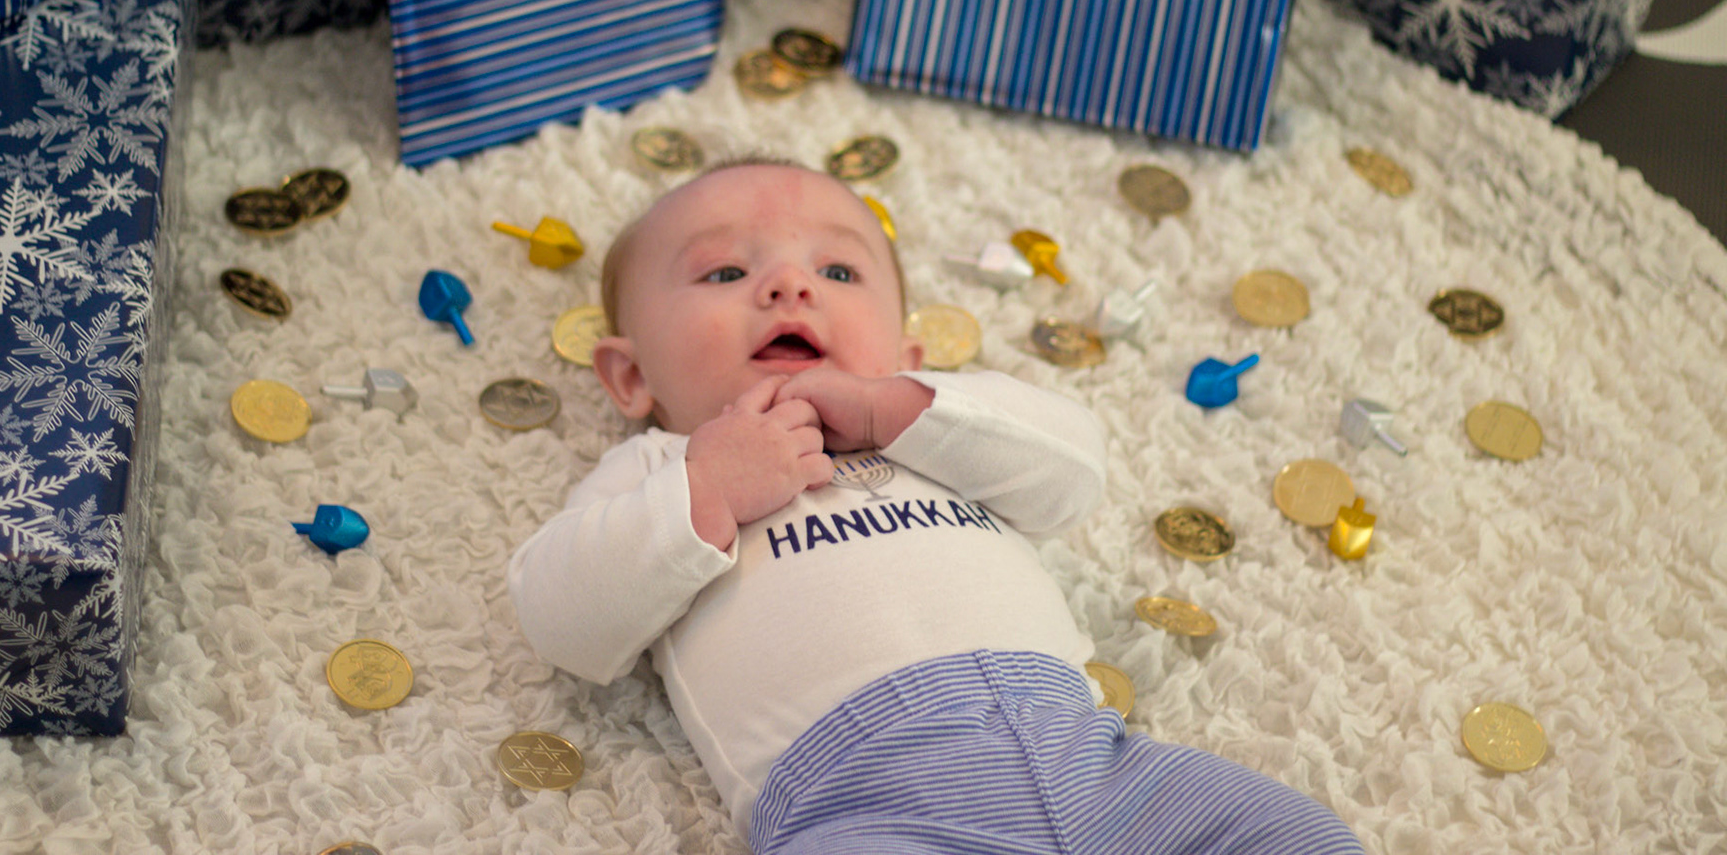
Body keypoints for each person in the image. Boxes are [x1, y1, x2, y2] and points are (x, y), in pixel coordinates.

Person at [507, 160, 1364, 854]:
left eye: (838, 271)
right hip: (864, 804)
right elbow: (560, 616)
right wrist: (708, 489)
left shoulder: (945, 423)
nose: (789, 286)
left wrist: (903, 409)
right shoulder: (657, 468)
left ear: (909, 353)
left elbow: (1075, 471)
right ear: (630, 375)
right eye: (726, 271)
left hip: (1092, 763)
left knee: (1298, 836)